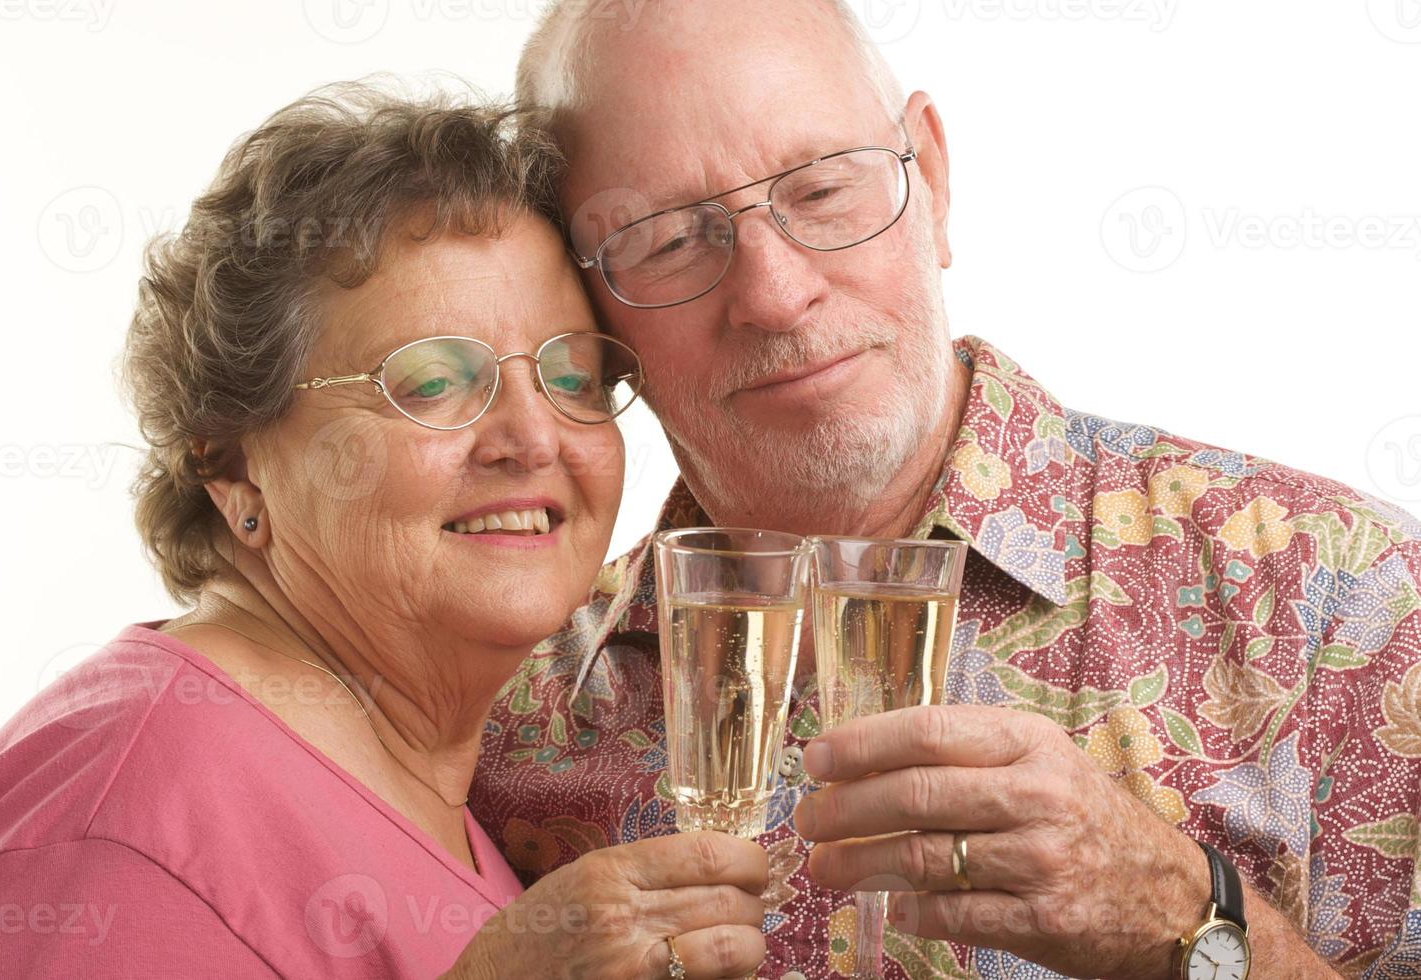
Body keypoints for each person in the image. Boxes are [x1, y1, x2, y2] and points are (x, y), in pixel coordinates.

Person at [466, 2, 1421, 977]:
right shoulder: (507, 716)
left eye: (822, 189)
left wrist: (1190, 921)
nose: (774, 292)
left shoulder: (1343, 595)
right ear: (586, 303)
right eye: (666, 238)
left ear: (932, 176)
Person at [0, 83, 770, 979]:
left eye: (572, 379)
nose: (535, 438)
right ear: (232, 465)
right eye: (430, 382)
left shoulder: (432, 785)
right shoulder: (130, 822)